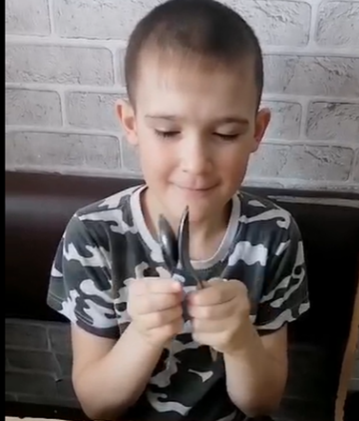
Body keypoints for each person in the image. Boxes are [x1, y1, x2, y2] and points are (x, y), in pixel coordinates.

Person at [46, 0, 310, 420]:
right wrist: (144, 334)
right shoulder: (93, 235)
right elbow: (97, 405)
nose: (196, 163)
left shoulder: (273, 234)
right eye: (168, 131)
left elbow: (262, 404)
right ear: (131, 124)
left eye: (226, 134)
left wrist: (240, 341)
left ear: (257, 132)